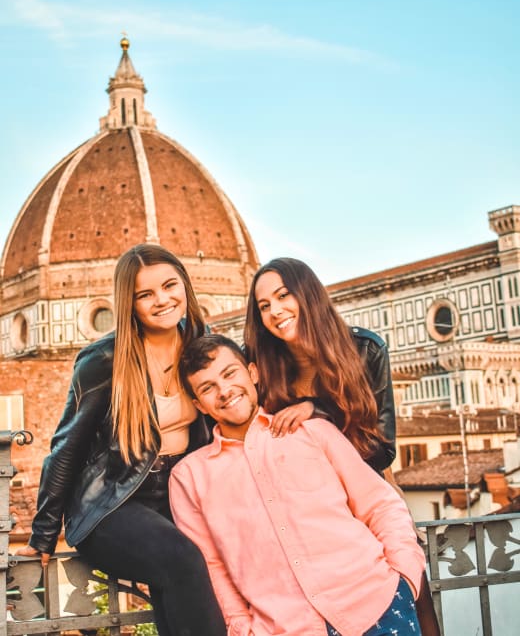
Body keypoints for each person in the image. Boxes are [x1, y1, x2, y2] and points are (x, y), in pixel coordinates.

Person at [16, 244, 226, 636]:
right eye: (145, 294)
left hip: (181, 494)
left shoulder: (204, 346)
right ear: (128, 303)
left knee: (176, 584)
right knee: (183, 560)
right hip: (112, 503)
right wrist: (43, 535)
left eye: (169, 286)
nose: (162, 300)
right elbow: (66, 449)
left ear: (185, 285)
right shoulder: (103, 360)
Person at [170, 334, 426, 636]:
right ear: (199, 404)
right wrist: (241, 628)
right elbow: (212, 567)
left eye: (229, 374)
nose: (224, 391)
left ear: (252, 373)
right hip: (285, 629)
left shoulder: (313, 431)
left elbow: (379, 504)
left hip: (379, 607)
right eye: (208, 388)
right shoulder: (189, 478)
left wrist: (405, 575)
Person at [243, 257, 440, 636]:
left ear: (308, 295)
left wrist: (317, 411)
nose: (275, 311)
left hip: (365, 499)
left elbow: (382, 450)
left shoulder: (366, 350)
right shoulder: (263, 367)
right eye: (264, 306)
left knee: (415, 593)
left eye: (284, 296)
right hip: (304, 510)